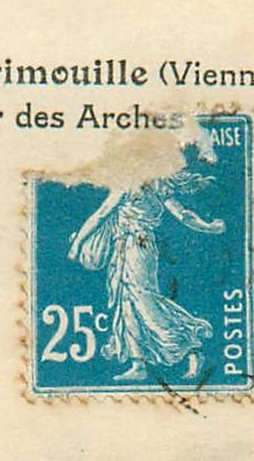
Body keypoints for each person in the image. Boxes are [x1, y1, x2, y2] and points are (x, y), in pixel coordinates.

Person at [67, 155, 226, 383]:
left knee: (143, 302)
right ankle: (138, 363)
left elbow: (101, 214)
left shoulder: (128, 185)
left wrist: (77, 244)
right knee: (128, 302)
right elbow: (185, 215)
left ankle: (190, 346)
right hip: (135, 248)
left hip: (135, 247)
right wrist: (209, 227)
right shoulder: (158, 187)